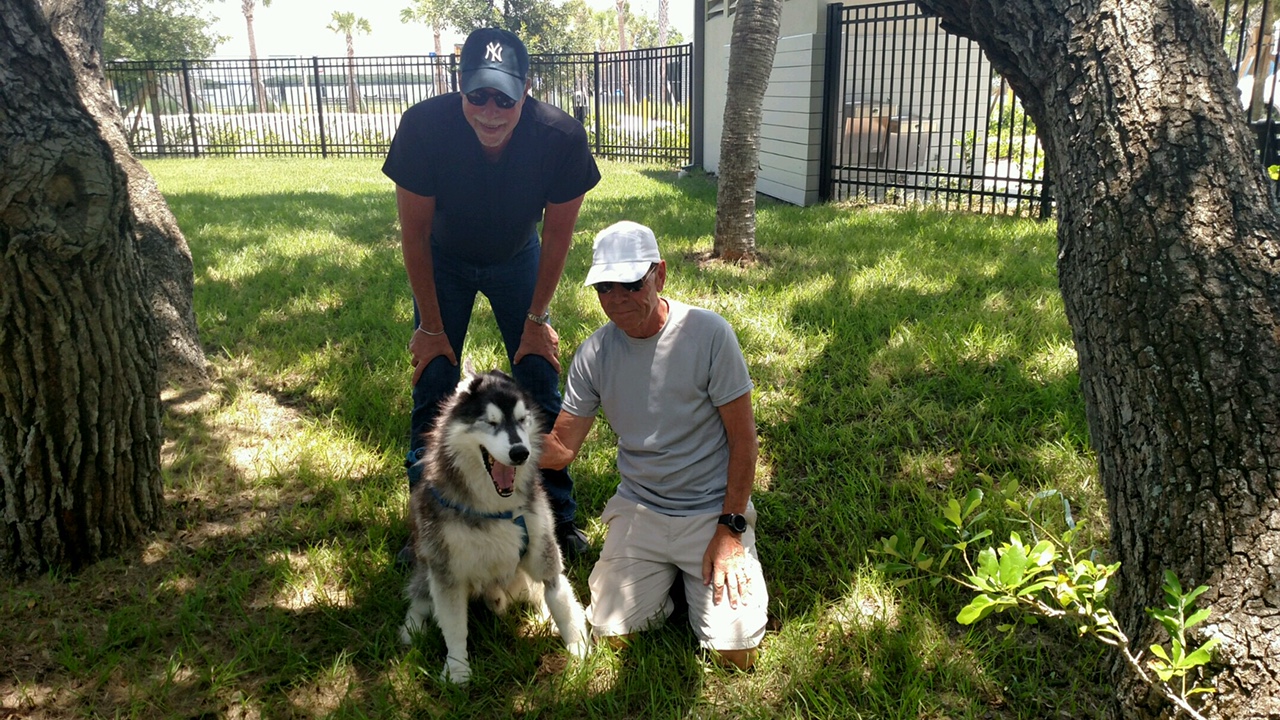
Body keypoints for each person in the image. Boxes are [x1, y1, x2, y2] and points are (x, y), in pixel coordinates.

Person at [382, 27, 600, 559]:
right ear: (461, 91)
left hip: (517, 257)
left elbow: (557, 236)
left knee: (538, 379)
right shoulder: (423, 128)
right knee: (433, 384)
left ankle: (558, 520)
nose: (490, 110)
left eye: (504, 96)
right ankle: (429, 525)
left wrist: (537, 317)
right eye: (477, 95)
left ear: (526, 90)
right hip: (444, 259)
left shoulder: (561, 138)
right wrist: (430, 330)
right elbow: (413, 234)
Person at [540, 221, 769, 670]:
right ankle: (673, 584)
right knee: (614, 634)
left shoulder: (708, 335)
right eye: (604, 286)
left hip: (710, 510)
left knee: (736, 654)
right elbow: (562, 447)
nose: (617, 298)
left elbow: (744, 440)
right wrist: (499, 445)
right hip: (640, 509)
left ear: (660, 274)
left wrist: (730, 529)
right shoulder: (594, 353)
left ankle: (696, 580)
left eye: (630, 283)